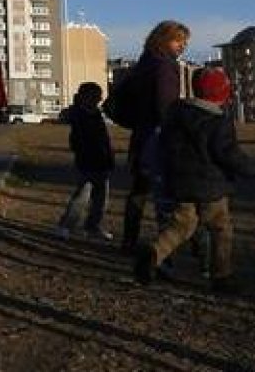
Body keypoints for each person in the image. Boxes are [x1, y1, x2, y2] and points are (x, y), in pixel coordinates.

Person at [134, 68, 254, 289]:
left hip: (181, 184)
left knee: (181, 226)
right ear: (222, 95)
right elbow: (229, 154)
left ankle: (154, 252)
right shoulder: (218, 122)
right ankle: (221, 274)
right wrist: (250, 169)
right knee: (221, 228)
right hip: (212, 188)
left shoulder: (176, 116)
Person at [120, 20, 191, 254]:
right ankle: (164, 247)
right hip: (158, 138)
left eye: (184, 42)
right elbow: (166, 106)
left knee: (139, 192)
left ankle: (129, 240)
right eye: (178, 41)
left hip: (141, 135)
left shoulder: (144, 63)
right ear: (164, 40)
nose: (182, 46)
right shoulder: (164, 66)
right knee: (167, 194)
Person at [56, 82, 115, 240]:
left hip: (101, 160)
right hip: (88, 160)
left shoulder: (95, 114)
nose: (99, 99)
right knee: (83, 195)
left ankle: (92, 225)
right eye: (96, 96)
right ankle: (66, 225)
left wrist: (108, 156)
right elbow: (77, 140)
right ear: (86, 97)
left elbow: (104, 138)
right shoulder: (80, 115)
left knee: (101, 198)